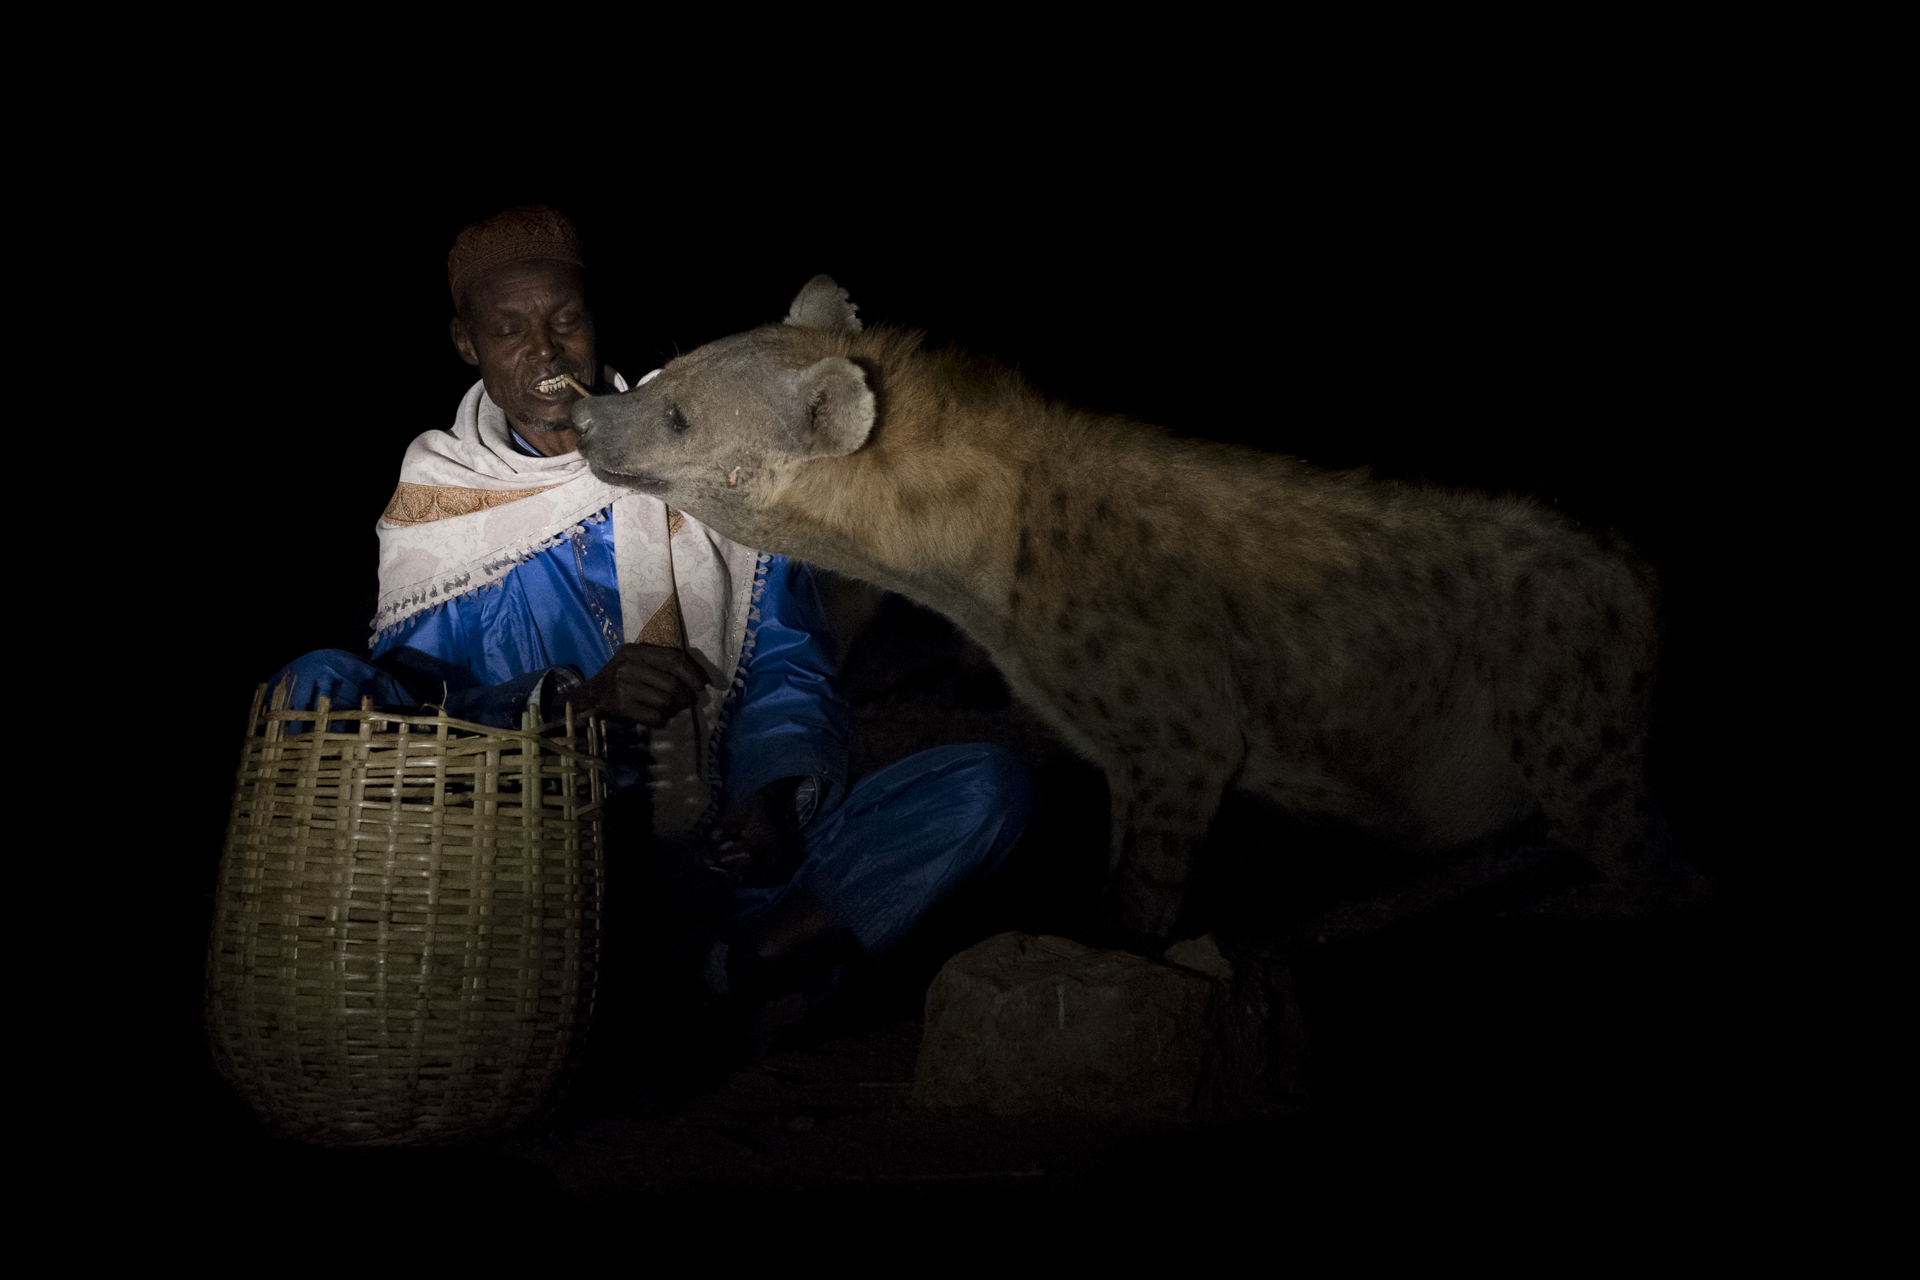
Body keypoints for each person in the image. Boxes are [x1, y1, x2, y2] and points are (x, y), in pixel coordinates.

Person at [270, 206, 1033, 1043]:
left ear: (593, 321)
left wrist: (769, 797)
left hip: (718, 858)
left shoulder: (701, 453)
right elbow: (419, 729)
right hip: (533, 870)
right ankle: (722, 978)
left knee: (986, 789)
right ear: (466, 342)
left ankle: (717, 976)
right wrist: (571, 702)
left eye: (565, 321)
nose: (545, 351)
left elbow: (787, 667)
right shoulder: (444, 501)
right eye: (509, 330)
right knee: (317, 685)